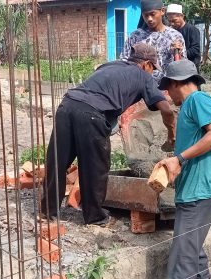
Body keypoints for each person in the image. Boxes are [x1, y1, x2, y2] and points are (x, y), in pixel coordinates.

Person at [40, 43, 176, 226]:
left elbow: (106, 89)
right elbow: (166, 110)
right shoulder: (144, 76)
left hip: (67, 105)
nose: (152, 73)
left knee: (57, 160)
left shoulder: (110, 65)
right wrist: (171, 134)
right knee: (95, 166)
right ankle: (95, 216)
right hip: (91, 115)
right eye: (153, 68)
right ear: (146, 64)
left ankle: (47, 211)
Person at [154, 60, 211, 279]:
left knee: (182, 253)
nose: (167, 94)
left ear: (176, 84)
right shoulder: (189, 106)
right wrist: (176, 167)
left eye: (168, 88)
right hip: (199, 190)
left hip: (199, 193)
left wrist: (180, 158)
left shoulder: (197, 100)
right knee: (191, 244)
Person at [120, 0, 186, 85]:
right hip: (140, 87)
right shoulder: (135, 36)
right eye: (146, 15)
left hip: (167, 88)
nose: (149, 19)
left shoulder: (175, 36)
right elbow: (124, 61)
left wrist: (178, 53)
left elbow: (182, 66)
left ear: (162, 11)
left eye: (152, 14)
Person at [166, 4, 201, 73]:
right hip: (175, 68)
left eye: (174, 20)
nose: (172, 24)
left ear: (182, 16)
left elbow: (196, 50)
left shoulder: (192, 30)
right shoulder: (170, 31)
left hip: (190, 68)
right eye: (169, 21)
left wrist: (180, 53)